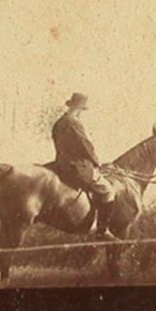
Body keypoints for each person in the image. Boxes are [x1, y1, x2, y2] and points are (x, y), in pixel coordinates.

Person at [52, 93, 118, 241]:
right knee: (108, 190)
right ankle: (102, 230)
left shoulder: (58, 123)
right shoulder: (75, 123)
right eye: (81, 110)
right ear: (79, 109)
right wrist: (97, 163)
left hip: (60, 164)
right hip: (77, 167)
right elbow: (86, 145)